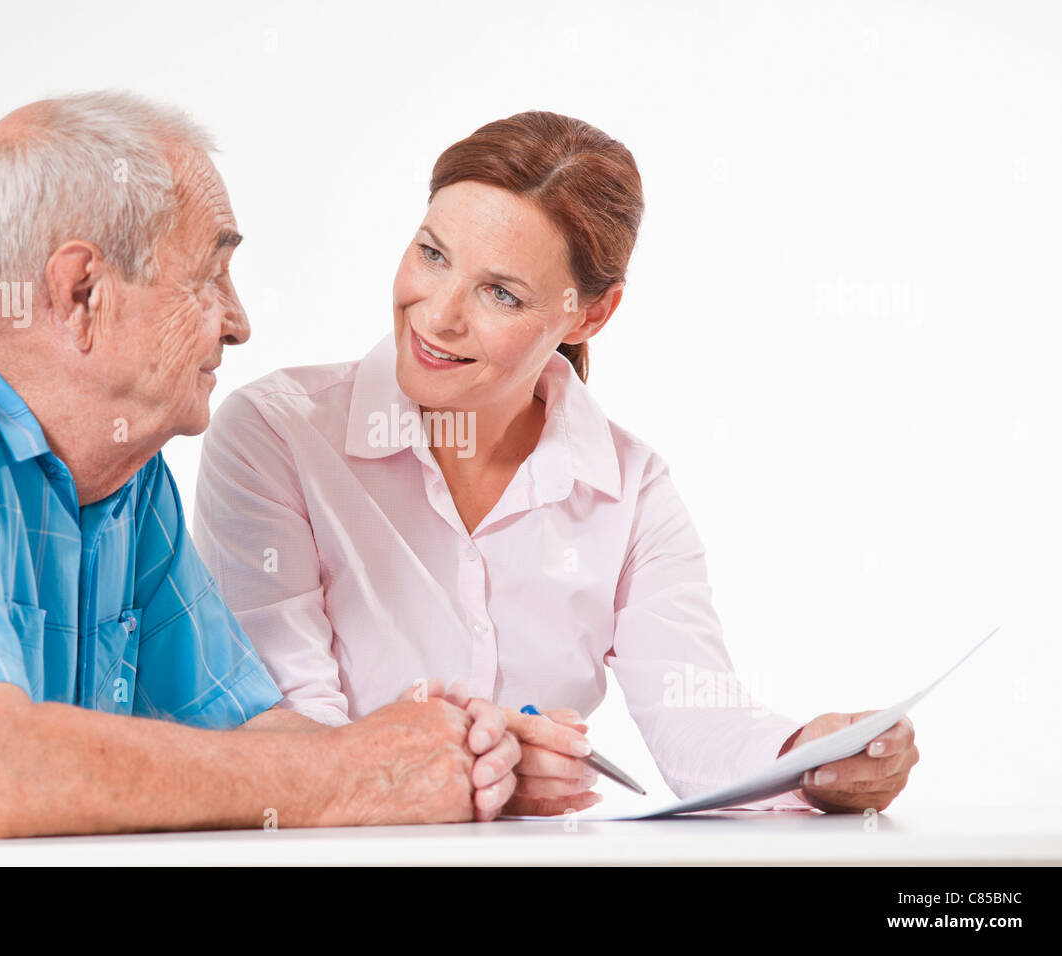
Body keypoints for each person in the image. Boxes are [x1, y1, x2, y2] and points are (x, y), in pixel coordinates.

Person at [0, 92, 521, 867]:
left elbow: (247, 738)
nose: (238, 322)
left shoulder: (124, 472)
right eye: (211, 277)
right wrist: (355, 773)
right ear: (81, 293)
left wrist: (453, 758)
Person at [194, 111, 919, 817]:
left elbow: (694, 718)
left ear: (589, 315)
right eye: (433, 254)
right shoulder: (277, 434)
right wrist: (485, 770)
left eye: (500, 293)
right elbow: (284, 735)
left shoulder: (629, 490)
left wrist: (811, 757)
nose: (438, 314)